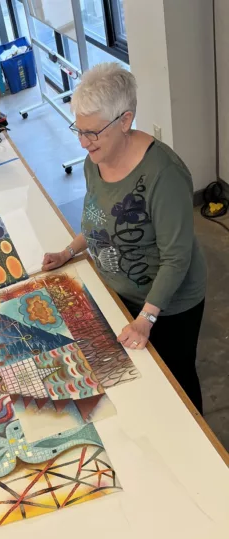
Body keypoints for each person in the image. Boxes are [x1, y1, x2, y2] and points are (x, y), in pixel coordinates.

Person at [42, 63, 207, 413]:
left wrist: (147, 318)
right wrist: (68, 251)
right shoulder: (95, 159)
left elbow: (177, 257)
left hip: (168, 306)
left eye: (93, 133)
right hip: (121, 297)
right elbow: (97, 220)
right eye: (79, 131)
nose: (84, 143)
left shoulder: (165, 173)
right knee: (139, 389)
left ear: (125, 120)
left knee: (176, 384)